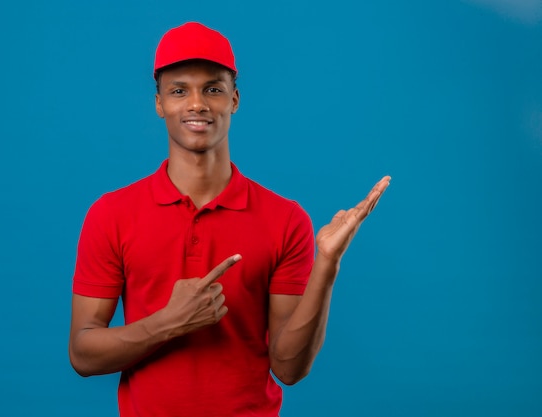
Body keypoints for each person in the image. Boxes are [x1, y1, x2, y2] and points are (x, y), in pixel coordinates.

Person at [69, 22, 390, 417]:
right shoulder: (111, 214)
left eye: (213, 89)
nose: (197, 104)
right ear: (159, 103)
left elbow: (288, 369)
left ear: (234, 99)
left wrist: (327, 263)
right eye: (179, 90)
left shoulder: (285, 219)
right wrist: (169, 322)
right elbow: (83, 354)